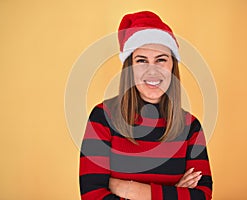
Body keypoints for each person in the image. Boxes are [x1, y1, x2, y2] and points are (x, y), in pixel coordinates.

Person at [79, 11, 213, 200]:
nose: (152, 71)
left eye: (161, 60)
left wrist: (131, 190)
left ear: (172, 66)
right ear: (129, 68)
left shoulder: (191, 126)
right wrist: (174, 192)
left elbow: (202, 195)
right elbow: (92, 195)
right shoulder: (103, 117)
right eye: (141, 61)